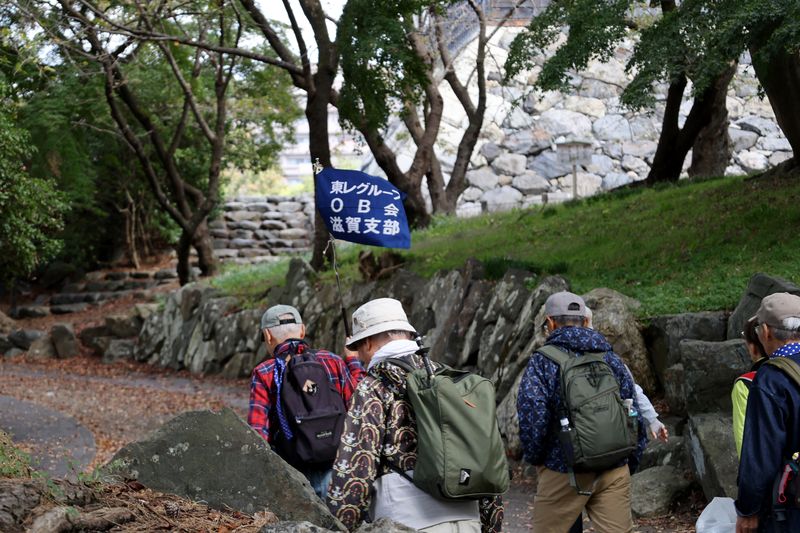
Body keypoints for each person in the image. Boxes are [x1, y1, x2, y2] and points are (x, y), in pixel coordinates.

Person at [326, 297, 503, 532]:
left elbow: (357, 465)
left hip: (405, 520)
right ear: (408, 335)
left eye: (358, 349)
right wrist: (490, 522)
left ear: (367, 343)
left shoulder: (374, 386)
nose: (359, 357)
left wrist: (339, 524)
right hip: (468, 516)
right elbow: (482, 450)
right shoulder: (447, 378)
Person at [518, 291, 646, 533]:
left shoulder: (542, 362)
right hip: (614, 466)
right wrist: (629, 459)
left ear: (550, 323)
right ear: (586, 320)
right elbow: (633, 411)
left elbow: (533, 417)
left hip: (564, 468)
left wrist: (538, 459)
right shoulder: (610, 357)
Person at [248, 304, 364, 499]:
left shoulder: (264, 372)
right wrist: (353, 360)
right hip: (337, 466)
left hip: (294, 472)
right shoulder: (332, 360)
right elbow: (358, 403)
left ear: (268, 335)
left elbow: (258, 430)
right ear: (302, 330)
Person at [736, 293, 800, 533]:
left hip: (790, 506)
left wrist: (748, 510)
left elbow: (761, 453)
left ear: (765, 331)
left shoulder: (771, 378)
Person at [586, 307, 668, 444]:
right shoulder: (609, 357)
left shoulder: (553, 359)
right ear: (588, 323)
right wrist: (652, 420)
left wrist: (653, 420)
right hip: (616, 441)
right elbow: (632, 390)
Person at [732, 316, 768, 458]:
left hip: (774, 467)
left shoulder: (746, 384)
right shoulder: (794, 372)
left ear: (752, 348)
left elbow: (744, 440)